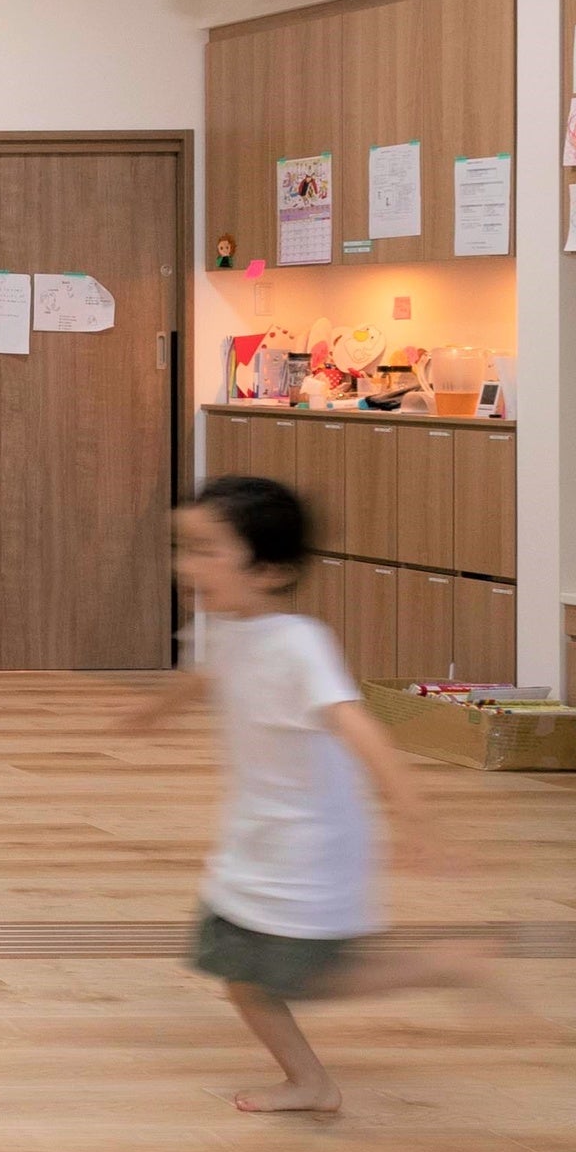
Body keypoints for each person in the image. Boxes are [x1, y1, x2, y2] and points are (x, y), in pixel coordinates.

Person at [139, 475, 509, 1115]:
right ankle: (311, 1083)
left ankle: (443, 968)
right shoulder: (224, 626)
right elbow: (207, 674)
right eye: (183, 546)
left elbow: (358, 726)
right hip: (257, 837)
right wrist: (152, 711)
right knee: (238, 967)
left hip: (308, 846)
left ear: (271, 571)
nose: (184, 564)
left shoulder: (299, 643)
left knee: (304, 976)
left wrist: (416, 818)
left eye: (204, 549)